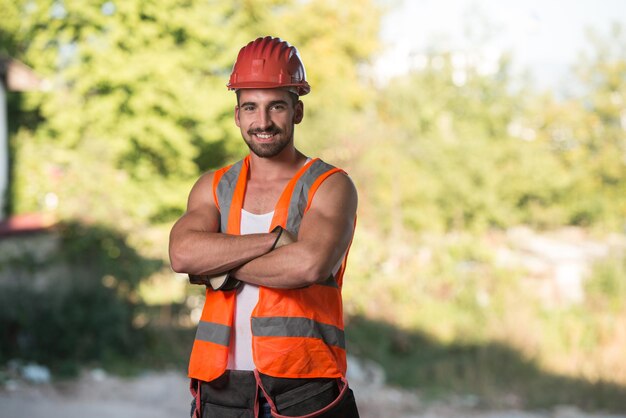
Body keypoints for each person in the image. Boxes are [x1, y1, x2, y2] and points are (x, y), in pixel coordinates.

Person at [169, 36, 359, 418]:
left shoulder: (330, 185)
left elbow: (308, 265)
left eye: (276, 106)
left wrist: (218, 265)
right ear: (237, 115)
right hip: (219, 391)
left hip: (305, 391)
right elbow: (182, 254)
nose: (263, 122)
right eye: (250, 108)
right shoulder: (213, 186)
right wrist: (274, 242)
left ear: (297, 111)